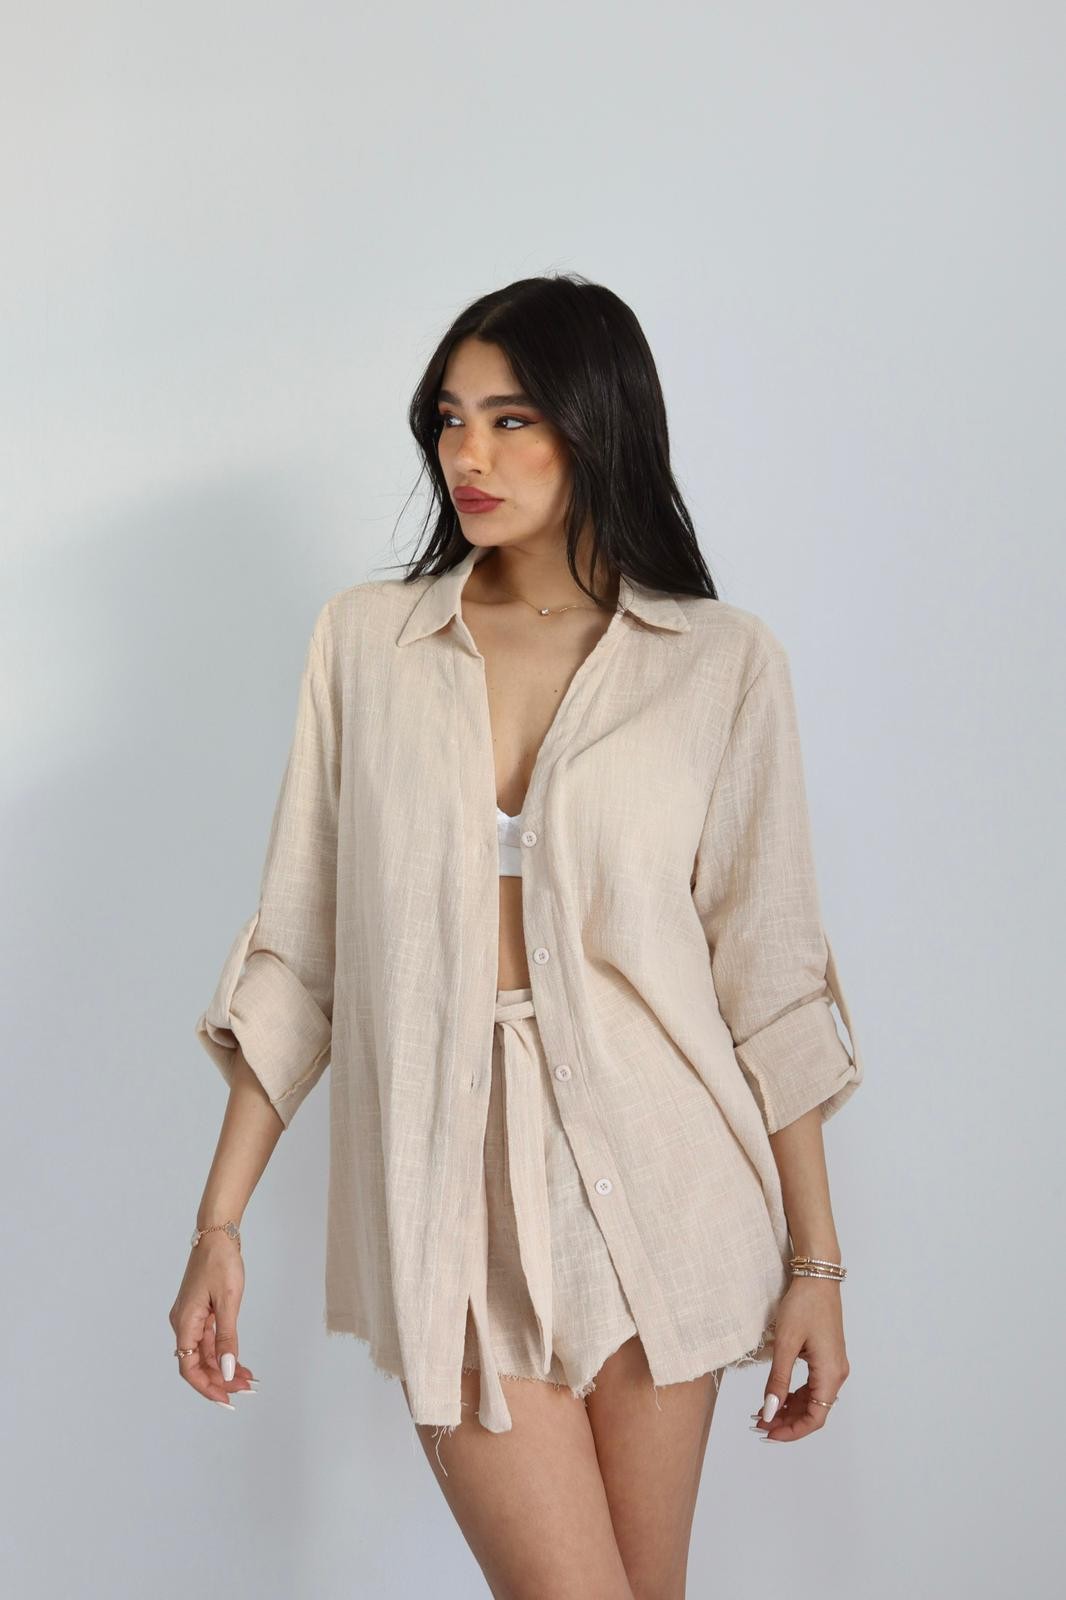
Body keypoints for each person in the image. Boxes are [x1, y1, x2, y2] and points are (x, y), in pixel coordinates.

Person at [171, 272, 863, 1598]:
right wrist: (220, 1221)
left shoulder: (719, 662)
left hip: (664, 1187)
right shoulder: (367, 645)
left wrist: (815, 1264)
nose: (468, 457)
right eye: (450, 419)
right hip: (444, 1188)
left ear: (597, 424)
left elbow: (768, 977)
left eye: (511, 419)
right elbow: (302, 954)